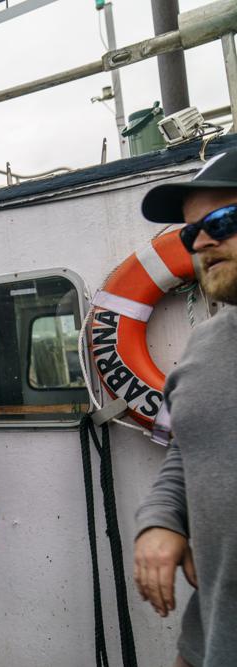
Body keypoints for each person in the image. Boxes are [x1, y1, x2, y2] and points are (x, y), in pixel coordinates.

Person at [133, 150, 237, 667]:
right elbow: (187, 447)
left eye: (222, 221)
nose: (201, 242)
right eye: (190, 232)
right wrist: (163, 520)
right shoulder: (204, 346)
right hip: (208, 642)